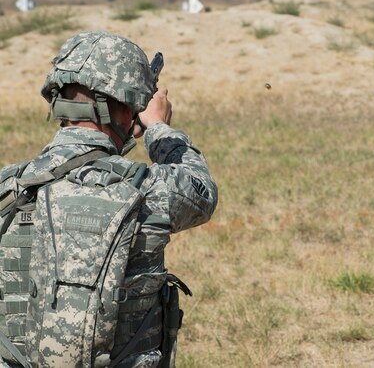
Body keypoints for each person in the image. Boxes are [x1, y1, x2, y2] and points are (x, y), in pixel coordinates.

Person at [0, 31, 217, 367]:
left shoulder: (10, 188)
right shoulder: (149, 190)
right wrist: (158, 128)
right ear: (126, 106)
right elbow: (200, 191)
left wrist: (122, 131)